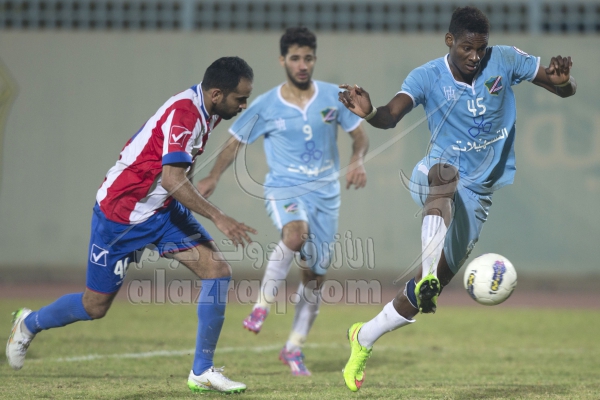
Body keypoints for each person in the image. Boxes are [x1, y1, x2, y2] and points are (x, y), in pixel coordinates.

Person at [337, 6, 576, 392]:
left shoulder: (506, 60)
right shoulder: (427, 76)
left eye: (481, 49)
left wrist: (564, 83)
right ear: (450, 41)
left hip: (477, 196)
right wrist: (369, 112)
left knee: (423, 292)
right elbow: (389, 116)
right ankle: (429, 271)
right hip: (433, 175)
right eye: (467, 48)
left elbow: (561, 86)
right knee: (444, 176)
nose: (475, 56)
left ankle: (363, 337)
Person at [6, 57, 258, 394]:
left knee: (217, 271)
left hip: (162, 211)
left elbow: (176, 171)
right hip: (121, 215)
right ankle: (29, 323)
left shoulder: (207, 110)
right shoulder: (186, 113)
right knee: (94, 306)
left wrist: (196, 191)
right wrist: (218, 216)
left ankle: (202, 371)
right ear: (217, 94)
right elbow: (171, 179)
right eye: (240, 98)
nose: (244, 105)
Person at [196, 27, 369, 376]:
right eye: (295, 58)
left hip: (325, 195)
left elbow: (359, 137)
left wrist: (357, 160)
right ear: (282, 60)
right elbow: (234, 143)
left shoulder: (333, 97)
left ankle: (293, 347)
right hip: (284, 187)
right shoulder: (266, 105)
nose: (302, 65)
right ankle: (261, 307)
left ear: (314, 60)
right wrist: (213, 176)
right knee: (295, 234)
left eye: (308, 58)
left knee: (314, 276)